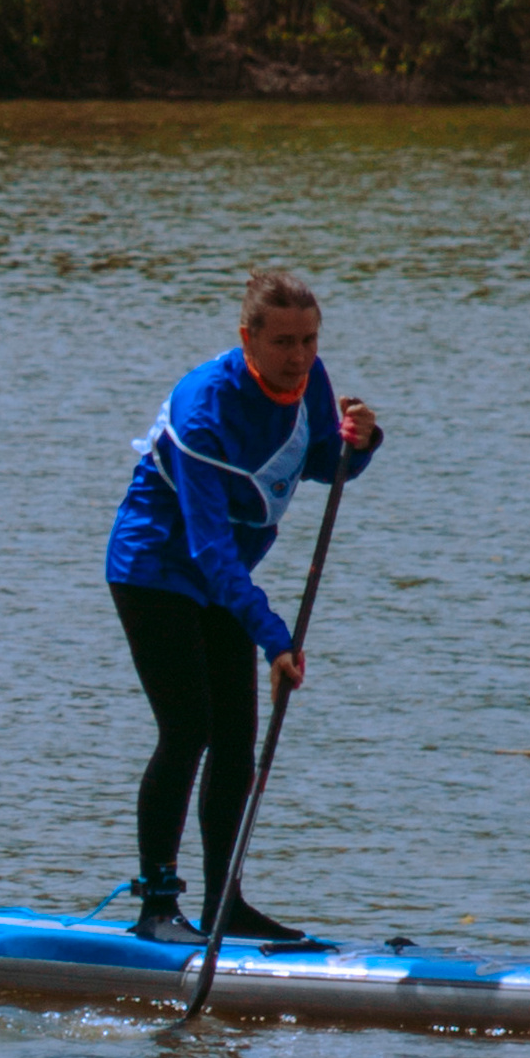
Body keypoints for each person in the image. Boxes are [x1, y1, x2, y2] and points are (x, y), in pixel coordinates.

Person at [105, 265, 382, 947]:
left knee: (237, 738)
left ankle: (226, 902)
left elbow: (320, 463)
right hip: (156, 568)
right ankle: (157, 907)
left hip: (223, 576)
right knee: (189, 729)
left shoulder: (310, 381)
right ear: (247, 337)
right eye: (284, 342)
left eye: (310, 341)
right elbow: (209, 549)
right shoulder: (204, 406)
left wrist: (363, 444)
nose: (300, 357)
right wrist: (273, 635)